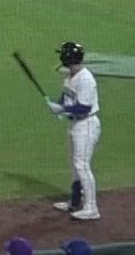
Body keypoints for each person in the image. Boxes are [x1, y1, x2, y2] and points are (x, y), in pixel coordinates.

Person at [49, 41, 101, 221]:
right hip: (74, 125)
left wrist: (62, 110)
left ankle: (91, 208)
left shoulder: (86, 79)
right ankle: (75, 201)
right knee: (74, 166)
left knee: (82, 165)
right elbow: (67, 97)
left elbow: (84, 108)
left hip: (86, 125)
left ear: (68, 57)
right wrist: (58, 105)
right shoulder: (70, 76)